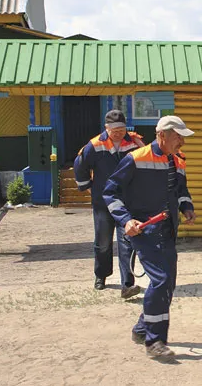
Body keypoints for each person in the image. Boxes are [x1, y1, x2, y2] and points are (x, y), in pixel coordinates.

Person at [103, 115, 197, 360]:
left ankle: (142, 328)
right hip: (143, 230)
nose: (182, 143)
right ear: (162, 135)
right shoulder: (135, 159)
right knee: (161, 280)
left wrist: (186, 206)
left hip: (167, 230)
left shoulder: (178, 160)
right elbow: (110, 193)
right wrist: (126, 220)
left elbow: (181, 190)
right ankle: (154, 341)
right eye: (178, 137)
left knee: (168, 285)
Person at [74, 110, 144, 298]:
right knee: (103, 242)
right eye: (114, 130)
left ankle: (127, 284)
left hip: (127, 202)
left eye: (121, 129)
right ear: (106, 128)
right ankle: (101, 275)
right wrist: (89, 188)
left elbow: (144, 163)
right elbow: (80, 165)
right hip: (103, 203)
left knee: (127, 241)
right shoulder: (95, 144)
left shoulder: (134, 143)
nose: (118, 133)